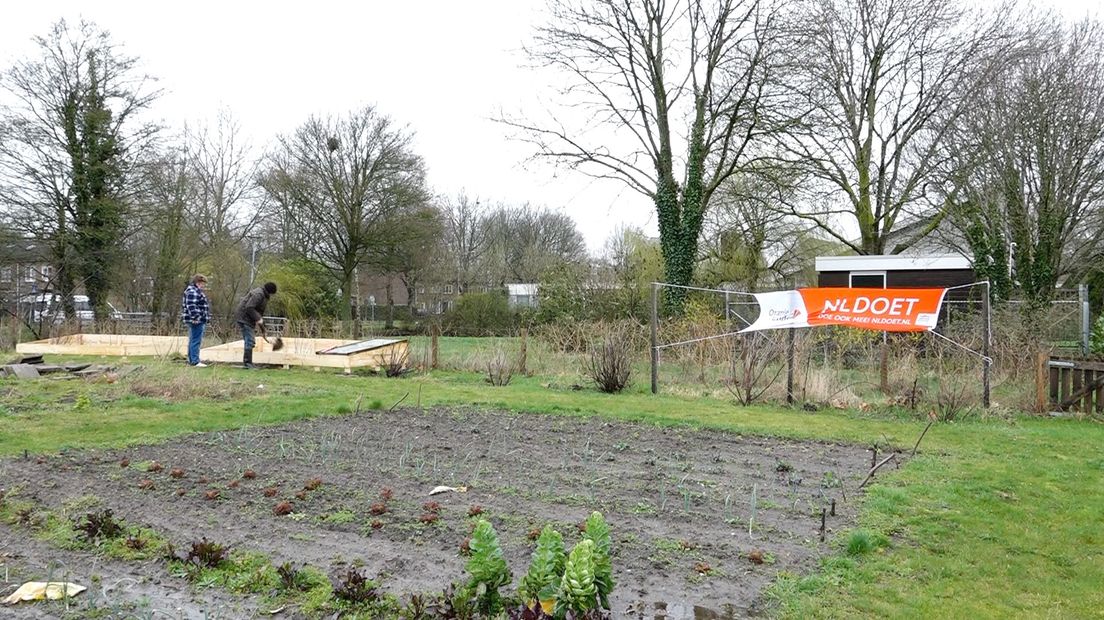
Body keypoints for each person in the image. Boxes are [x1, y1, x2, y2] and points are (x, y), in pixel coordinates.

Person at [234, 281, 277, 369]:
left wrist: (263, 329)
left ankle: (248, 363)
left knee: (249, 340)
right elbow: (249, 307)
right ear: (270, 292)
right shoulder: (258, 294)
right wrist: (258, 318)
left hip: (248, 318)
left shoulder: (263, 295)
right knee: (250, 340)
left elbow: (258, 314)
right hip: (244, 317)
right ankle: (247, 364)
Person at [180, 274, 211, 367]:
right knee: (196, 340)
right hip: (196, 320)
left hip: (197, 319)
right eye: (203, 284)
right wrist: (195, 317)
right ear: (198, 282)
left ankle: (192, 359)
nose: (204, 286)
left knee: (193, 339)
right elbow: (191, 306)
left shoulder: (194, 291)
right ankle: (195, 361)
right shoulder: (192, 291)